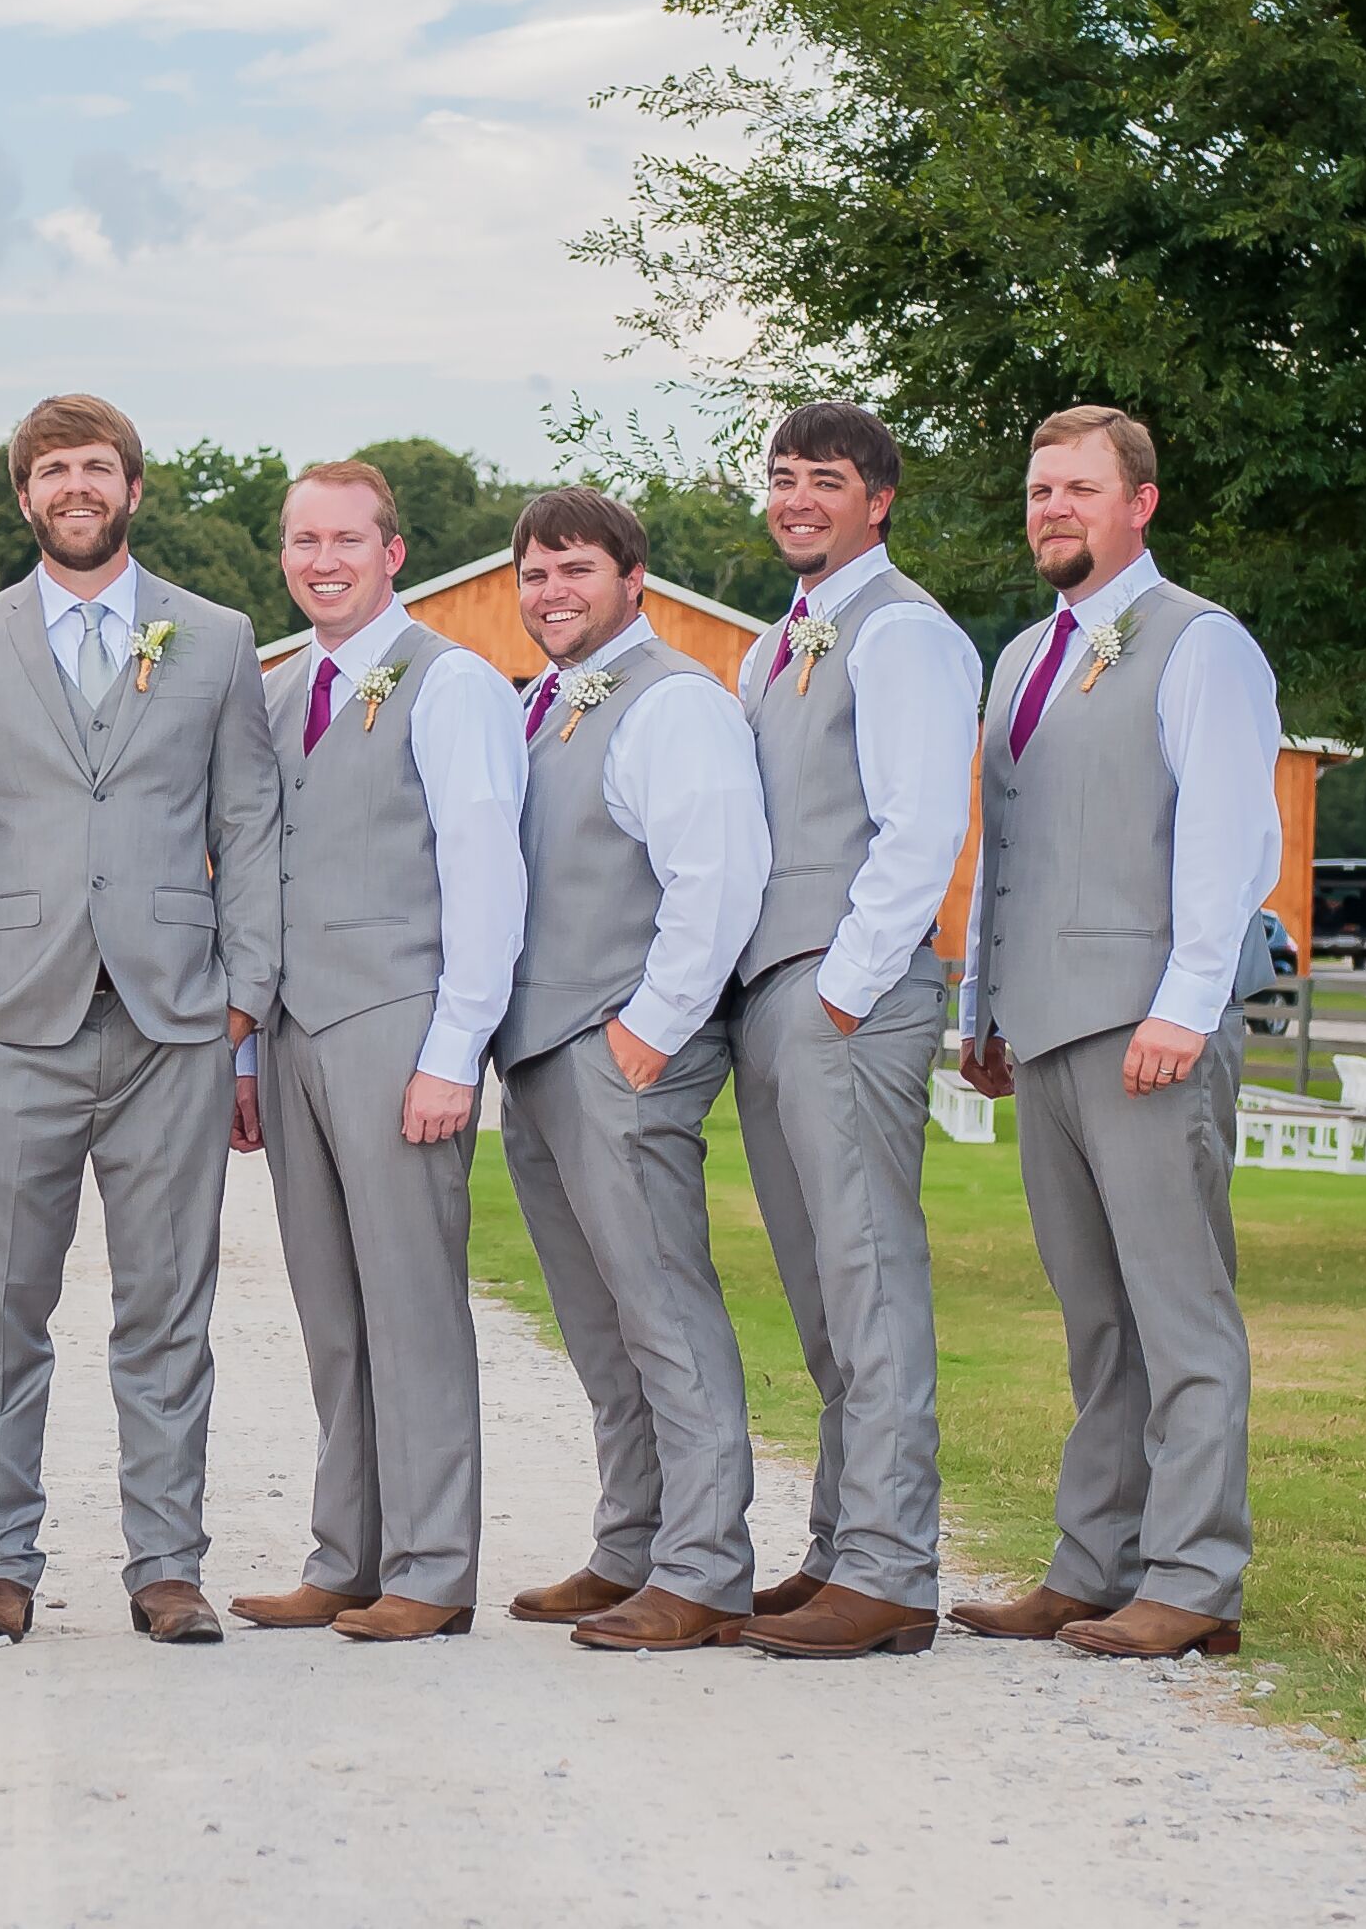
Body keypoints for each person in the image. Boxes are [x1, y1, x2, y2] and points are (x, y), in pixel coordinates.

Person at [0, 393, 282, 1647]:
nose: (77, 485)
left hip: (173, 1023)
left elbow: (249, 827)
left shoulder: (216, 637)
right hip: (11, 1025)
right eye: (54, 468)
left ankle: (165, 1565)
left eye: (98, 467)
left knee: (166, 1310)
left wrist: (240, 1002)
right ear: (25, 494)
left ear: (131, 487)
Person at [952, 405, 1278, 1660]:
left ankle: (1195, 1579)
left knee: (1179, 1311)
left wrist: (1185, 1004)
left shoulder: (1199, 645)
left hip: (1148, 1027)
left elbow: (1232, 838)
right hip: (1039, 1027)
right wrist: (982, 1004)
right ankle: (1093, 1564)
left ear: (1138, 502)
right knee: (1097, 1318)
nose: (1051, 509)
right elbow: (1008, 845)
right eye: (1038, 490)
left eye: (1077, 488)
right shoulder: (1023, 654)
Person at [230, 461, 524, 1643]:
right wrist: (245, 1055)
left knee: (411, 1307)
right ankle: (344, 1553)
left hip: (400, 1027)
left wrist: (455, 1049)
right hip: (295, 1031)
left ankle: (432, 1567)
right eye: (303, 540)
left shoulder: (447, 684)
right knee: (333, 1314)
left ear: (392, 552)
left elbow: (485, 870)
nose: (322, 559)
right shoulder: (280, 687)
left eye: (345, 538)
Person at [489, 488, 773, 1653]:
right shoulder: (543, 707)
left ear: (632, 579)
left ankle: (705, 1567)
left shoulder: (675, 705)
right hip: (540, 1052)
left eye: (575, 570)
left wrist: (646, 1030)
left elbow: (717, 876)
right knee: (597, 1320)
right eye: (535, 572)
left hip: (618, 1050)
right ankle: (630, 1545)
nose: (552, 591)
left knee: (661, 1307)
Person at [724, 403, 983, 1660]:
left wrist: (840, 992)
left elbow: (922, 827)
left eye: (822, 480)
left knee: (871, 1276)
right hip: (777, 991)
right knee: (824, 1289)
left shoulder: (905, 635)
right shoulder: (774, 646)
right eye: (780, 478)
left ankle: (891, 1568)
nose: (795, 499)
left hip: (847, 994)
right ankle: (839, 1545)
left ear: (876, 499)